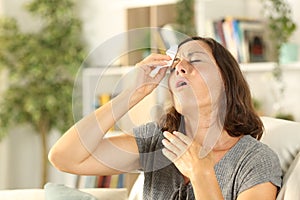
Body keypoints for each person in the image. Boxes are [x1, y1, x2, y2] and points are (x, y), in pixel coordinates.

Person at [49, 36, 282, 200]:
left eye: (196, 60)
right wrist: (132, 94)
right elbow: (64, 157)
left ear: (226, 80)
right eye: (175, 65)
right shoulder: (156, 142)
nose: (180, 67)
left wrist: (201, 172)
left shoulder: (255, 160)